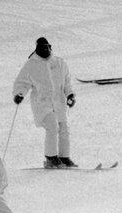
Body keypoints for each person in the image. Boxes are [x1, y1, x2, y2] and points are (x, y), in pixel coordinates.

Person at [13, 37, 76, 169]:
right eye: (41, 48)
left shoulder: (59, 62)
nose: (44, 50)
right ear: (36, 49)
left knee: (64, 129)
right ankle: (51, 158)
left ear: (50, 46)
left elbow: (67, 81)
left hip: (58, 103)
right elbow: (22, 83)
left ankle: (64, 157)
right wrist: (19, 94)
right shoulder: (31, 65)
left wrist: (70, 95)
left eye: (46, 47)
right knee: (52, 126)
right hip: (42, 104)